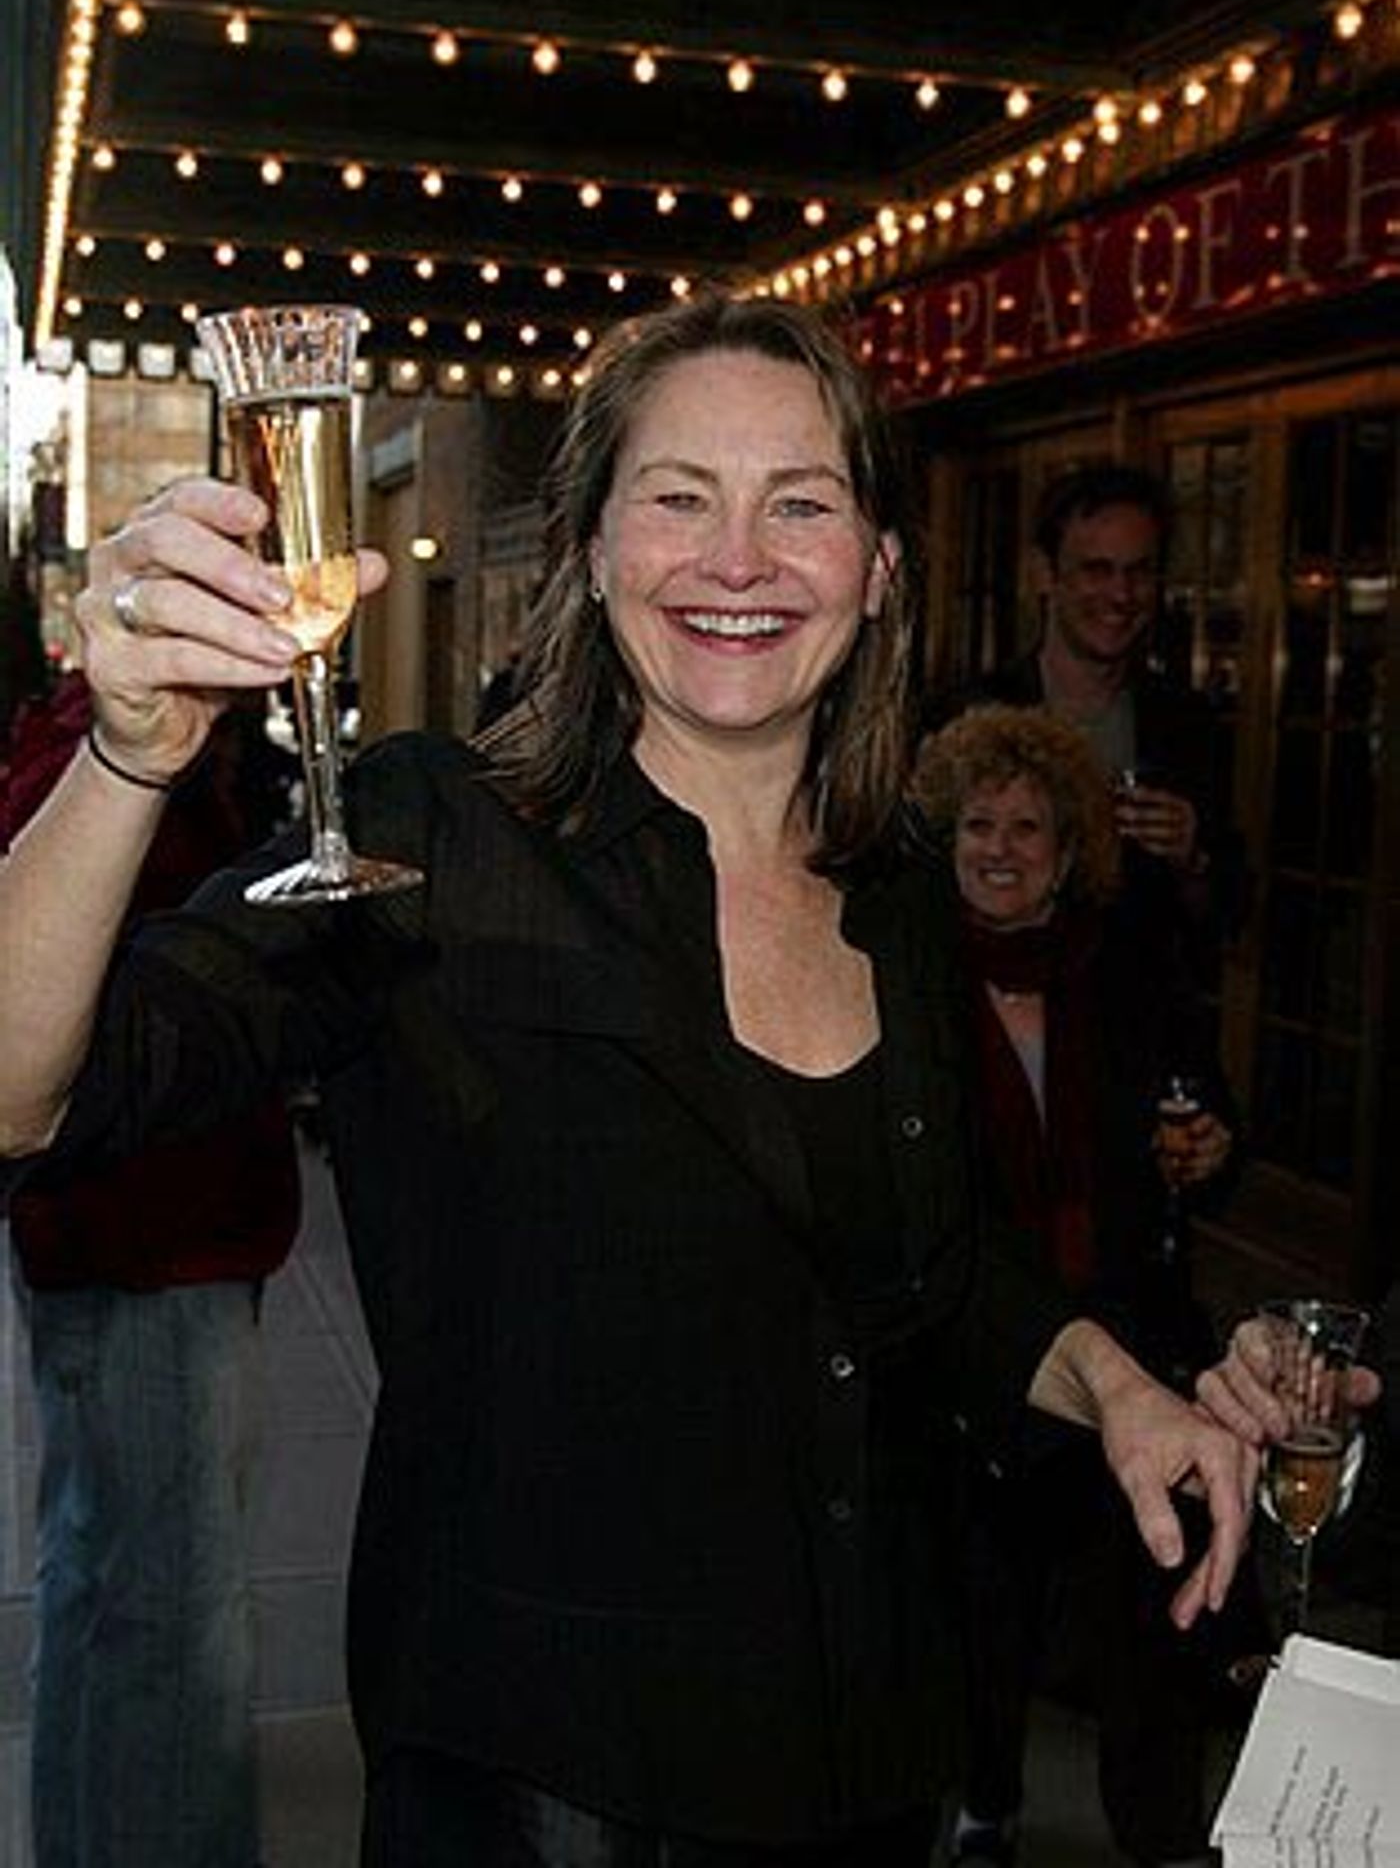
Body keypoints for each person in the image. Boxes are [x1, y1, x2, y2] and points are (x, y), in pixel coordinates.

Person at [0, 294, 1255, 1867]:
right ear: (592, 550)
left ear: (877, 568)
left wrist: (1120, 1384)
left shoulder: (903, 887)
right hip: (548, 1790)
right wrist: (125, 756)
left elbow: (941, 1276)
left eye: (799, 503)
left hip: (867, 1760)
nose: (738, 558)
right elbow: (26, 1093)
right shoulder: (432, 838)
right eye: (679, 496)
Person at [914, 704, 1240, 1868]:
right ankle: (984, 1802)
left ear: (1067, 852)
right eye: (976, 824)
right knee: (980, 1603)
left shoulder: (1125, 969)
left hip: (1127, 1336)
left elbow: (1203, 1104)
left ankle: (1160, 1836)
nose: (998, 847)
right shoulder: (904, 976)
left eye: (1026, 827)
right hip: (975, 1353)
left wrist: (1208, 1145)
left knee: (1152, 1601)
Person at [0, 670, 301, 1868]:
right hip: (147, 1236)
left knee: (101, 1583)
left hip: (127, 1228)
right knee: (174, 1620)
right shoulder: (103, 753)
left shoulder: (108, 739)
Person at [942, 463, 1246, 981]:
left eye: (1139, 572)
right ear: (1045, 574)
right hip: (986, 1007)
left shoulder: (1186, 723)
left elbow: (1227, 920)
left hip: (1137, 1016)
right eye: (1097, 570)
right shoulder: (966, 717)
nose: (1121, 595)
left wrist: (1191, 858)